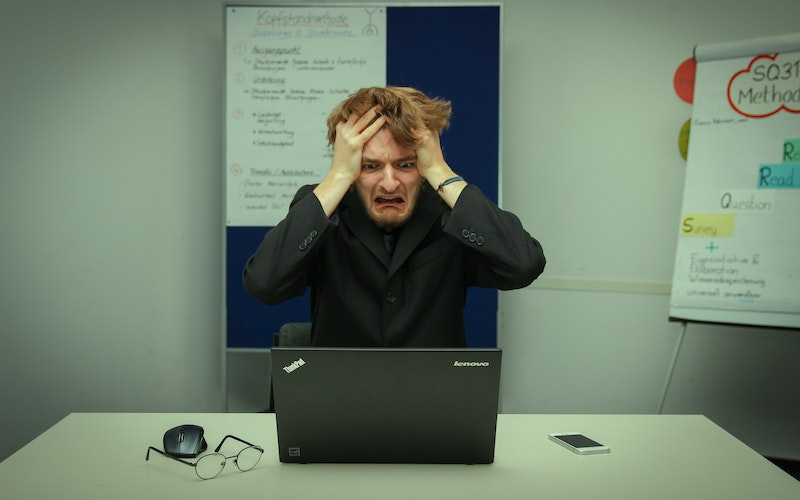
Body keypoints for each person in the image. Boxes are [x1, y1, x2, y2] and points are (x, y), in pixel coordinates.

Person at [243, 86, 545, 347]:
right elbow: (264, 284)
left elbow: (523, 265)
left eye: (405, 165)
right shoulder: (324, 210)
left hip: (434, 399)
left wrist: (439, 171)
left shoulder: (449, 212)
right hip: (341, 400)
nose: (389, 183)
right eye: (370, 166)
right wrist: (338, 176)